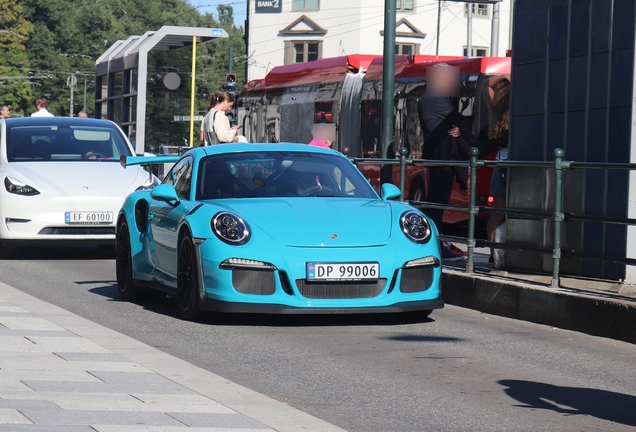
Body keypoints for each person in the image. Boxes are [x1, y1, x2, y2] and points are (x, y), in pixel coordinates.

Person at [417, 64, 472, 262]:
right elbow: (460, 119)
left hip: (435, 156)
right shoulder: (437, 100)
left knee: (435, 203)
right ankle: (437, 245)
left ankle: (435, 242)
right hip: (443, 157)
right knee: (438, 204)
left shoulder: (425, 98)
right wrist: (460, 125)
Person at [483, 74, 511, 267]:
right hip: (516, 164)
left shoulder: (496, 108)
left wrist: (503, 76)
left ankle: (494, 255)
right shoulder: (518, 108)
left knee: (497, 213)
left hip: (500, 165)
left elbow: (486, 84)